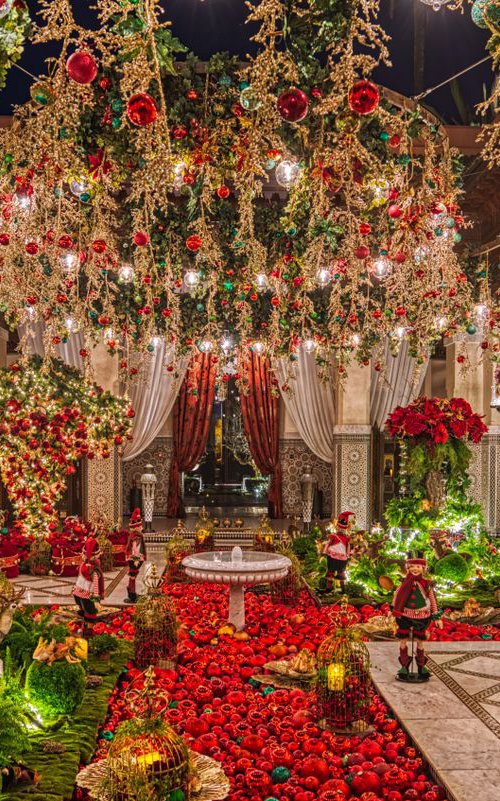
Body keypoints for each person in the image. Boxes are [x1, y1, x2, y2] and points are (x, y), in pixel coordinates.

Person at [393, 551, 443, 679]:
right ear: (408, 568)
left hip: (422, 617)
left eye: (418, 567)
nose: (415, 569)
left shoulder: (426, 584)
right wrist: (393, 610)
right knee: (403, 640)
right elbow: (396, 596)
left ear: (423, 568)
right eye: (412, 567)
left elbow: (432, 600)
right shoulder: (403, 583)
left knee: (420, 641)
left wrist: (436, 616)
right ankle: (404, 666)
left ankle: (421, 666)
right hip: (404, 616)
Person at [73, 536, 104, 633]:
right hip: (80, 589)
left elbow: (95, 583)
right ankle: (83, 611)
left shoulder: (94, 569)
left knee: (89, 608)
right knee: (80, 602)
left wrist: (95, 596)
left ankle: (89, 627)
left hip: (88, 592)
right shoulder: (85, 564)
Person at [322, 511, 355, 592]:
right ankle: (343, 589)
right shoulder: (347, 538)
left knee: (331, 572)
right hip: (342, 559)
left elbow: (328, 544)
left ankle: (329, 588)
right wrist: (348, 555)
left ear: (337, 527)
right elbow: (348, 547)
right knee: (341, 573)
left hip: (332, 557)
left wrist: (324, 552)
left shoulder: (333, 536)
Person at [124, 507, 147, 603]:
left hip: (133, 559)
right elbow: (135, 549)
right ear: (137, 527)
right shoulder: (137, 536)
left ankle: (132, 594)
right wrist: (136, 559)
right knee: (132, 576)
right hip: (135, 559)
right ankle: (132, 595)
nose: (142, 528)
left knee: (132, 576)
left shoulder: (134, 535)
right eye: (140, 526)